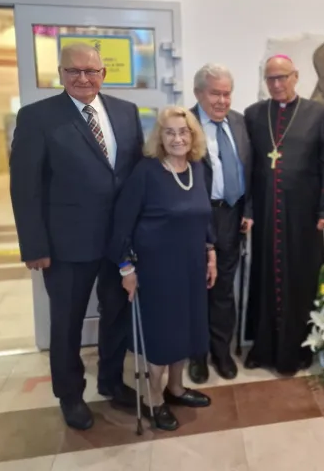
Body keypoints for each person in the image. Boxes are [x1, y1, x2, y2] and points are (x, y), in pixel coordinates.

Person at [9, 43, 144, 430]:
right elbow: (25, 187)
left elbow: (134, 176)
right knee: (66, 323)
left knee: (116, 315)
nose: (83, 78)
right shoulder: (37, 117)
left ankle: (111, 381)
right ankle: (70, 395)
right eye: (73, 71)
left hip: (117, 243)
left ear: (103, 73)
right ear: (60, 74)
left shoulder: (126, 112)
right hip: (66, 245)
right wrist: (34, 245)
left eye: (91, 71)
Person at [109, 106, 216, 431]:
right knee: (162, 338)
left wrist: (210, 253)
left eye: (183, 132)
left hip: (192, 267)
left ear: (193, 136)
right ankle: (154, 399)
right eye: (169, 132)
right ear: (160, 137)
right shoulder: (147, 172)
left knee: (185, 331)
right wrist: (126, 269)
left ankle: (176, 388)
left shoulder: (198, 169)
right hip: (157, 272)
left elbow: (204, 216)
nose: (177, 138)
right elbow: (121, 225)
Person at [243, 54, 324, 374]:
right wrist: (248, 208)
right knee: (265, 276)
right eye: (271, 78)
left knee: (301, 278)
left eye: (282, 77)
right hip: (266, 211)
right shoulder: (254, 114)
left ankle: (299, 348)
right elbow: (249, 166)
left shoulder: (316, 112)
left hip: (303, 213)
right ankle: (263, 347)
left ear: (295, 76)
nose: (277, 84)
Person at [189, 64, 253, 384]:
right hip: (197, 218)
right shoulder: (184, 124)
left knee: (223, 290)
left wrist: (248, 210)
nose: (222, 101)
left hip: (231, 217)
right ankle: (197, 356)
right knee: (197, 290)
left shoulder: (240, 122)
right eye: (215, 93)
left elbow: (250, 170)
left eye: (227, 94)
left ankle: (221, 352)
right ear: (198, 93)